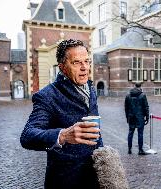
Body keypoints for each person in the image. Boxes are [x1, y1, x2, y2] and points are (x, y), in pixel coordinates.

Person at [20, 39, 103, 189]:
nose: (85, 68)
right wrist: (63, 136)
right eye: (76, 62)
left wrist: (103, 157)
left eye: (87, 61)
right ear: (63, 67)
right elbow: (27, 136)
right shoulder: (47, 95)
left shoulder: (90, 88)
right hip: (66, 180)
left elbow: (95, 132)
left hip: (94, 177)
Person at [125, 83, 149, 155]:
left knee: (130, 132)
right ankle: (140, 150)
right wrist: (147, 117)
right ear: (140, 87)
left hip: (131, 117)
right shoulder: (143, 95)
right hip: (140, 117)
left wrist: (127, 117)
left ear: (134, 86)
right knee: (140, 133)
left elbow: (126, 108)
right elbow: (146, 107)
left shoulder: (128, 95)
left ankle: (129, 149)